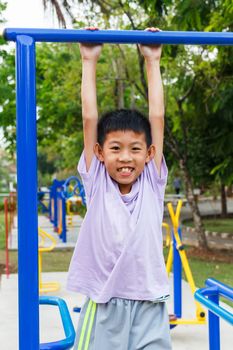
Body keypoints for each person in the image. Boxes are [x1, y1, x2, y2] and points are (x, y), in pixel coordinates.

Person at [67, 27, 172, 350]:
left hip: (150, 304)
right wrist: (89, 60)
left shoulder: (152, 182)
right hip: (105, 302)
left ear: (149, 153)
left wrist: (152, 61)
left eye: (135, 149)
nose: (125, 158)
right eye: (115, 148)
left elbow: (157, 116)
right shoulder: (97, 182)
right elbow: (89, 117)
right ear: (99, 153)